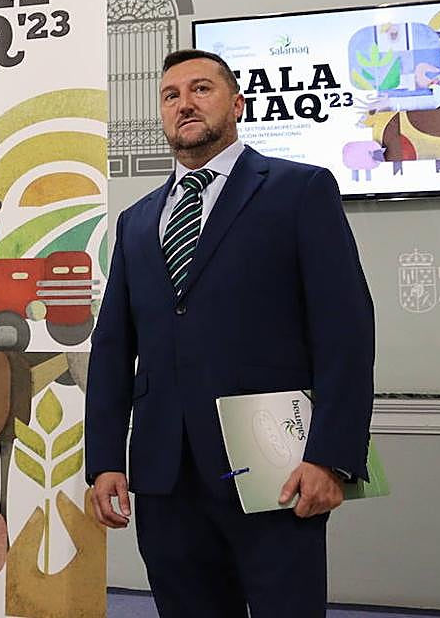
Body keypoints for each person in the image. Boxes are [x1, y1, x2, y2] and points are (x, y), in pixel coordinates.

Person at [85, 49, 375, 617]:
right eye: (171, 95)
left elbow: (346, 330)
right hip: (166, 475)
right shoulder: (137, 221)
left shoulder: (299, 190)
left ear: (237, 103)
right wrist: (104, 460)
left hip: (274, 469)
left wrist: (332, 457)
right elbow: (114, 349)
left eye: (201, 89)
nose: (184, 103)